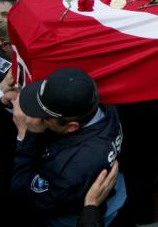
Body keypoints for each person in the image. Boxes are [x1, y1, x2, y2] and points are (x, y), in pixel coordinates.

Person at [11, 67, 125, 226]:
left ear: (72, 127)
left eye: (44, 118)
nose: (35, 119)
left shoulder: (70, 168)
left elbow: (23, 195)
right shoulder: (104, 108)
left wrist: (26, 137)